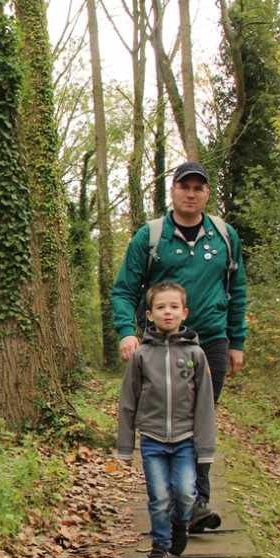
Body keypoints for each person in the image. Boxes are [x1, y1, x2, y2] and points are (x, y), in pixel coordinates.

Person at [111, 160, 247, 533]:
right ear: (172, 191)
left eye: (198, 187)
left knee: (199, 418)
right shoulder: (151, 236)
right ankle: (175, 496)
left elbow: (237, 291)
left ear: (206, 194)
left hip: (211, 342)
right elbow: (125, 289)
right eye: (184, 186)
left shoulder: (224, 236)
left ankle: (196, 502)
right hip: (159, 346)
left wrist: (237, 340)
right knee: (164, 419)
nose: (191, 193)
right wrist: (127, 330)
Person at [117, 281, 217, 558]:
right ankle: (159, 545)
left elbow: (204, 404)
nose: (168, 313)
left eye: (174, 307)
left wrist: (205, 447)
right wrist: (125, 448)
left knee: (185, 492)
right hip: (152, 439)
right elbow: (128, 402)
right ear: (150, 315)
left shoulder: (195, 355)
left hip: (186, 439)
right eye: (161, 307)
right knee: (159, 496)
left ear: (184, 313)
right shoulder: (141, 356)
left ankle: (179, 525)